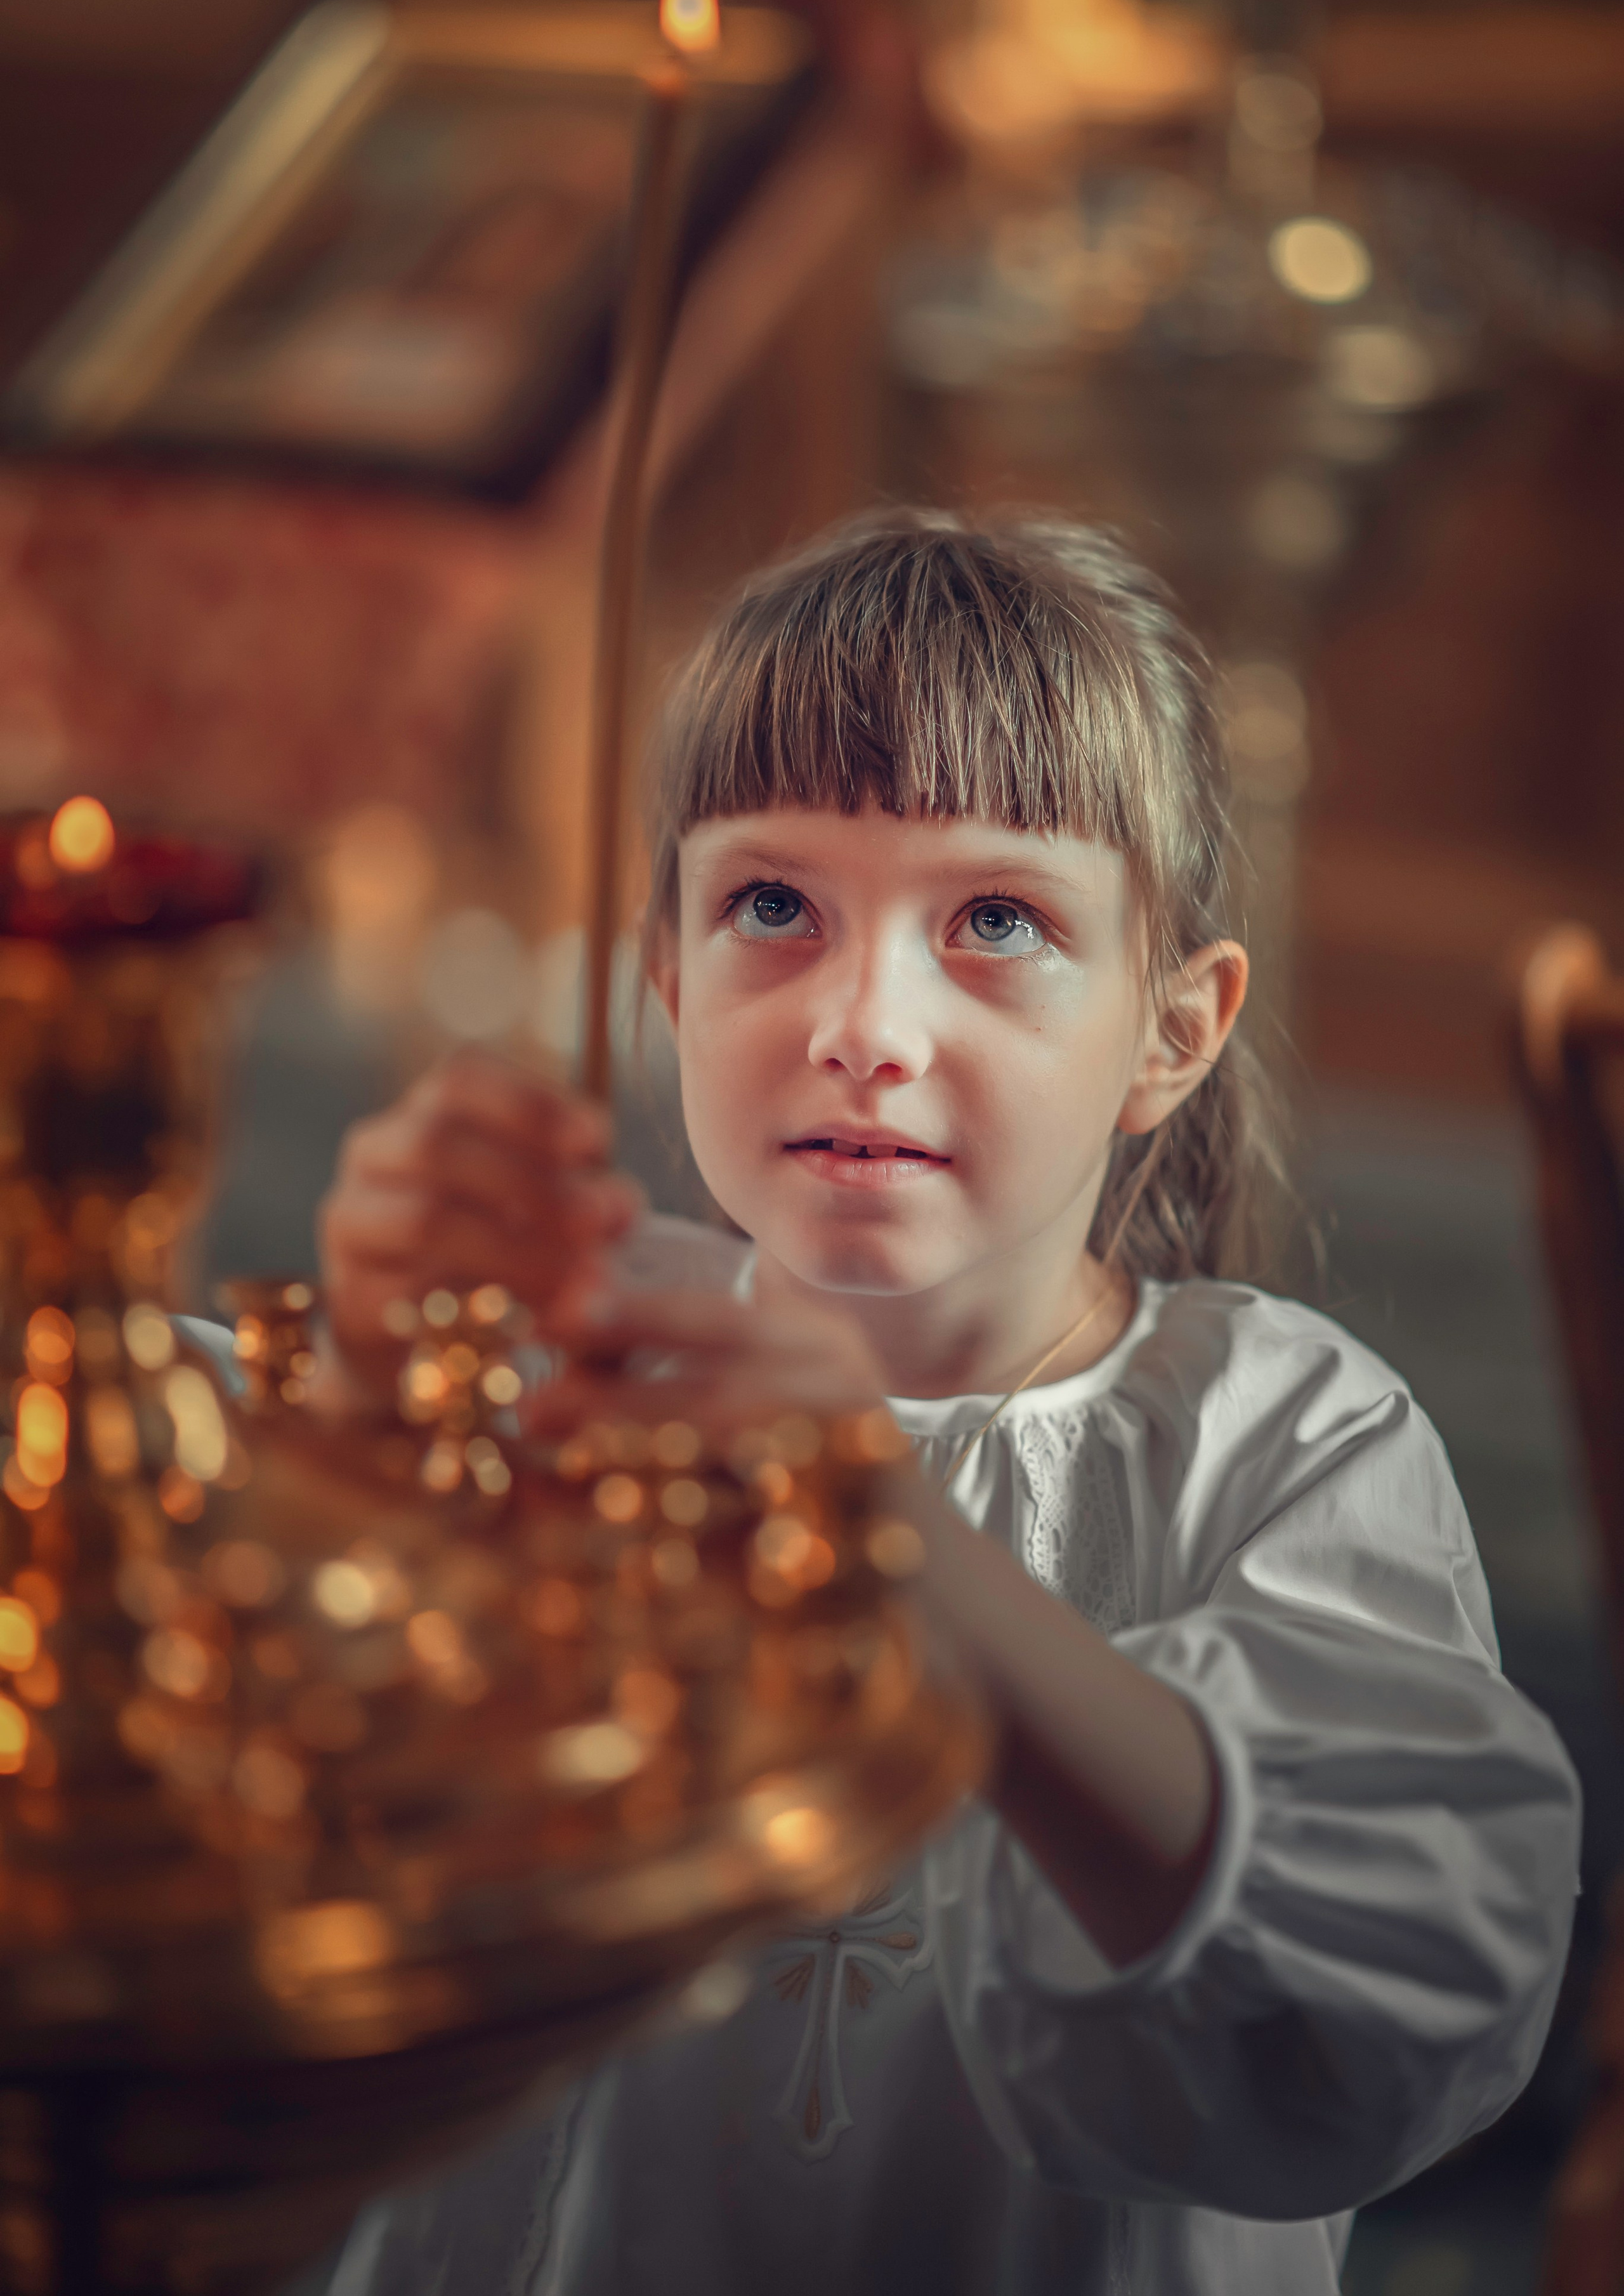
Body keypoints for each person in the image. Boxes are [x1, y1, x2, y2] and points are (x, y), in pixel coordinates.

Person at [316, 511, 1581, 2296]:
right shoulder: (557, 1376)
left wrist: (885, 1531)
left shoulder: (1289, 1438)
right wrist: (364, 1412)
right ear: (667, 970)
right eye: (772, 904)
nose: (862, 1021)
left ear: (1172, 1025)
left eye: (995, 917)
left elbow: (1376, 2005)